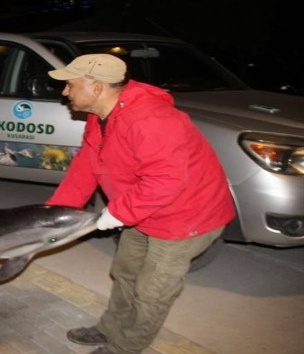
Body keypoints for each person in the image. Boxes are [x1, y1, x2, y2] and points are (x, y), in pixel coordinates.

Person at [45, 54, 236, 354]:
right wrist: (57, 209)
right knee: (126, 271)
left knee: (152, 291)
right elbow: (87, 164)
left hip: (186, 217)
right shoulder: (100, 116)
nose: (65, 92)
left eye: (70, 85)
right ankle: (110, 328)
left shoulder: (151, 120)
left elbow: (167, 182)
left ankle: (125, 347)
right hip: (144, 208)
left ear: (96, 87)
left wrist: (116, 213)